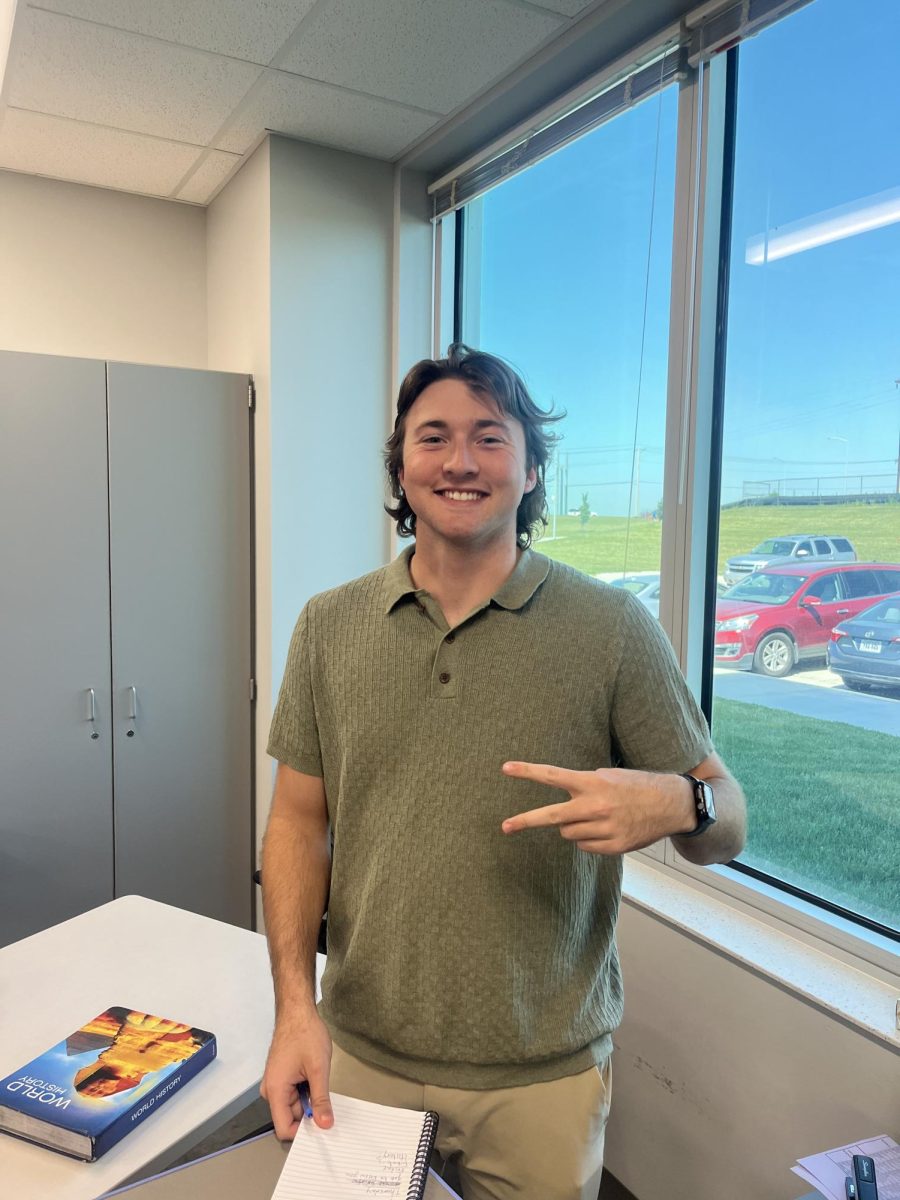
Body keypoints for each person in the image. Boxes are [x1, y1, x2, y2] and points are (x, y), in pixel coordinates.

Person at [260, 344, 746, 1200]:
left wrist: (678, 801)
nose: (459, 460)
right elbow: (298, 824)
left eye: (490, 437)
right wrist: (295, 1009)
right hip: (361, 1055)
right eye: (433, 437)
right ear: (401, 469)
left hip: (541, 1081)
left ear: (529, 471)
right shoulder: (328, 627)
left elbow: (729, 822)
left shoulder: (611, 630)